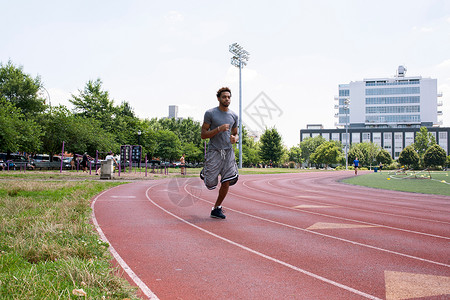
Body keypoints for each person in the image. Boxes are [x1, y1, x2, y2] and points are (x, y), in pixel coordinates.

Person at [200, 87, 239, 219]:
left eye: (229, 97)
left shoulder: (234, 115)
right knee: (210, 183)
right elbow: (203, 135)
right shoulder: (210, 113)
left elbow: (235, 133)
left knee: (226, 181)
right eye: (224, 97)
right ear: (218, 98)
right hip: (214, 151)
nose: (227, 99)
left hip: (228, 151)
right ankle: (206, 171)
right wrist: (218, 129)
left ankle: (216, 208)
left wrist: (235, 139)